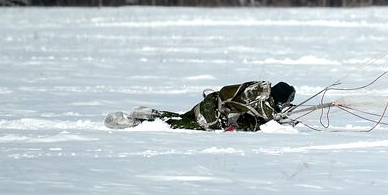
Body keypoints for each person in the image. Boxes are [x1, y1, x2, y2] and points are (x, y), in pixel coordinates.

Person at [105, 81, 295, 131]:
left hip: (209, 103)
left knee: (182, 117)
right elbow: (268, 116)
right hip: (211, 118)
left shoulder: (259, 88)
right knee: (174, 125)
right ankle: (131, 123)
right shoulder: (260, 101)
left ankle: (154, 113)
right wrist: (283, 119)